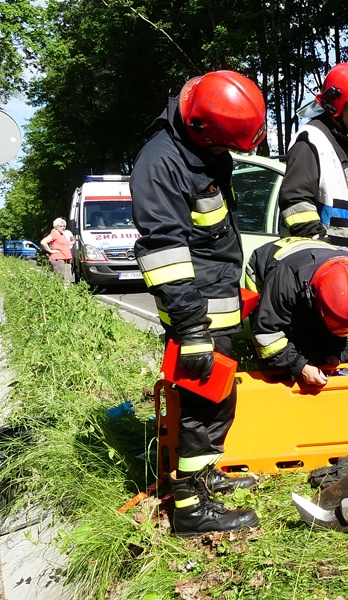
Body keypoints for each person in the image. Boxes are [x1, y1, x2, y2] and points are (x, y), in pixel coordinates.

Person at [130, 69, 266, 536]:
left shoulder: (201, 147)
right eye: (222, 146)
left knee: (219, 400)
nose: (225, 154)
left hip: (214, 302)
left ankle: (204, 478)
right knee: (201, 403)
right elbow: (164, 253)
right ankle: (190, 507)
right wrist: (191, 330)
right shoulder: (161, 162)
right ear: (201, 126)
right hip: (196, 313)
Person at [278, 63, 348, 269]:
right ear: (334, 104)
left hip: (340, 265)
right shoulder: (310, 140)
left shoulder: (340, 140)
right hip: (316, 267)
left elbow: (343, 194)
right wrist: (321, 249)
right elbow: (295, 203)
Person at [246, 237, 348, 385]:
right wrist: (300, 366)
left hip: (313, 266)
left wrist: (339, 354)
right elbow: (267, 336)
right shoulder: (284, 280)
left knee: (316, 343)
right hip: (269, 264)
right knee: (278, 362)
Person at [40, 217, 74, 283]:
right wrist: (50, 250)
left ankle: (66, 292)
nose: (63, 227)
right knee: (61, 279)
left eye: (64, 226)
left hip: (66, 259)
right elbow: (43, 242)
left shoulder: (62, 234)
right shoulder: (54, 234)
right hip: (58, 259)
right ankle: (61, 292)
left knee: (68, 278)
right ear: (56, 226)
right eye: (60, 226)